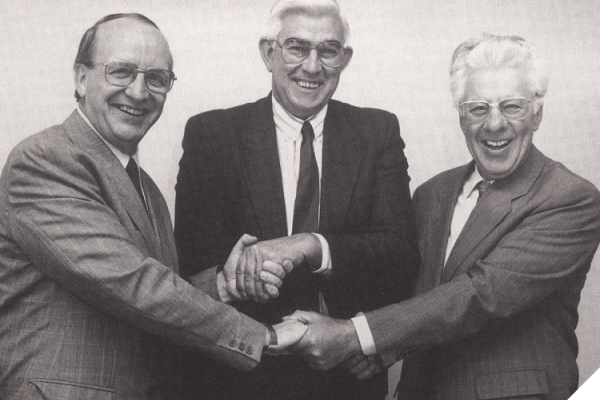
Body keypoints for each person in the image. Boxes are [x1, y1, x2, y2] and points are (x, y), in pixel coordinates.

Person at [0, 13, 308, 400]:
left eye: (157, 78)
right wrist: (265, 336)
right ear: (81, 78)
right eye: (121, 72)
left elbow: (156, 291)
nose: (139, 91)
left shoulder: (146, 188)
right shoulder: (45, 160)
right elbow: (130, 284)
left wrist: (223, 285)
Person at [284, 34, 600, 400]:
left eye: (512, 106)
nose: (494, 124)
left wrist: (352, 335)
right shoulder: (432, 193)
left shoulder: (571, 197)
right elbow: (414, 293)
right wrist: (377, 348)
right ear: (461, 115)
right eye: (478, 108)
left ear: (537, 112)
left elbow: (482, 295)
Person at [174, 0, 419, 398]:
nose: (312, 66)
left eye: (328, 50)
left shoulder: (377, 132)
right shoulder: (213, 134)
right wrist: (246, 276)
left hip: (346, 376)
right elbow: (190, 266)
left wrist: (310, 246)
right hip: (235, 379)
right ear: (268, 53)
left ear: (345, 59)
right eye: (297, 47)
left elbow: (401, 252)